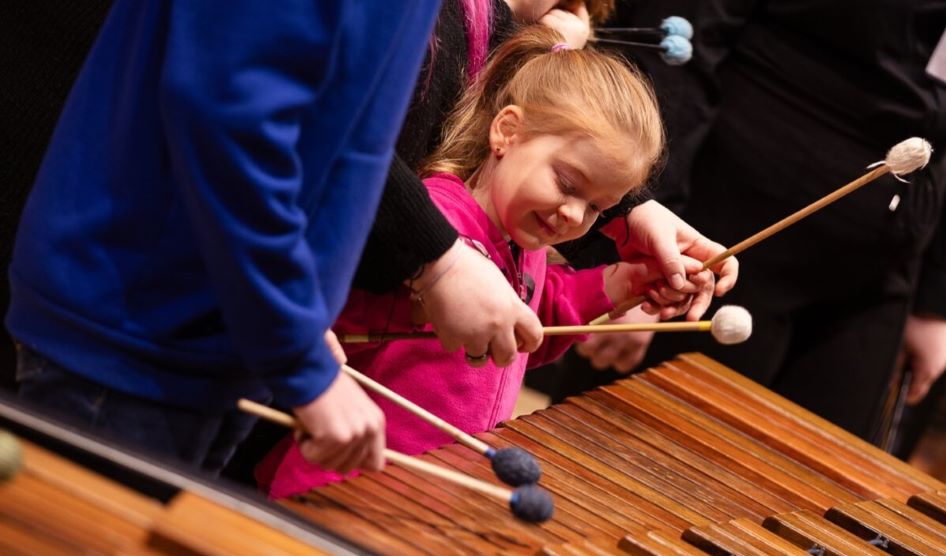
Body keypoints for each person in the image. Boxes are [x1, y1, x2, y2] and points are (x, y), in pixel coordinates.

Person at [543, 0, 946, 444]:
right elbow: (689, 39)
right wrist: (636, 241)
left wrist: (943, 301)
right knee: (646, 466)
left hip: (875, 273)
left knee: (820, 510)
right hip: (721, 239)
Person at [256, 26, 709, 499]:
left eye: (598, 207)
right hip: (343, 480)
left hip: (431, 490)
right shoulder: (434, 226)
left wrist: (622, 282)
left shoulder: (523, 243)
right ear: (507, 132)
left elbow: (528, 327)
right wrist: (413, 305)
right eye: (569, 185)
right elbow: (345, 303)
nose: (575, 214)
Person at [5, 0, 442, 475]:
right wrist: (296, 350)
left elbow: (335, 128)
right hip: (138, 332)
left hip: (214, 339)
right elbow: (230, 114)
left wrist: (301, 314)